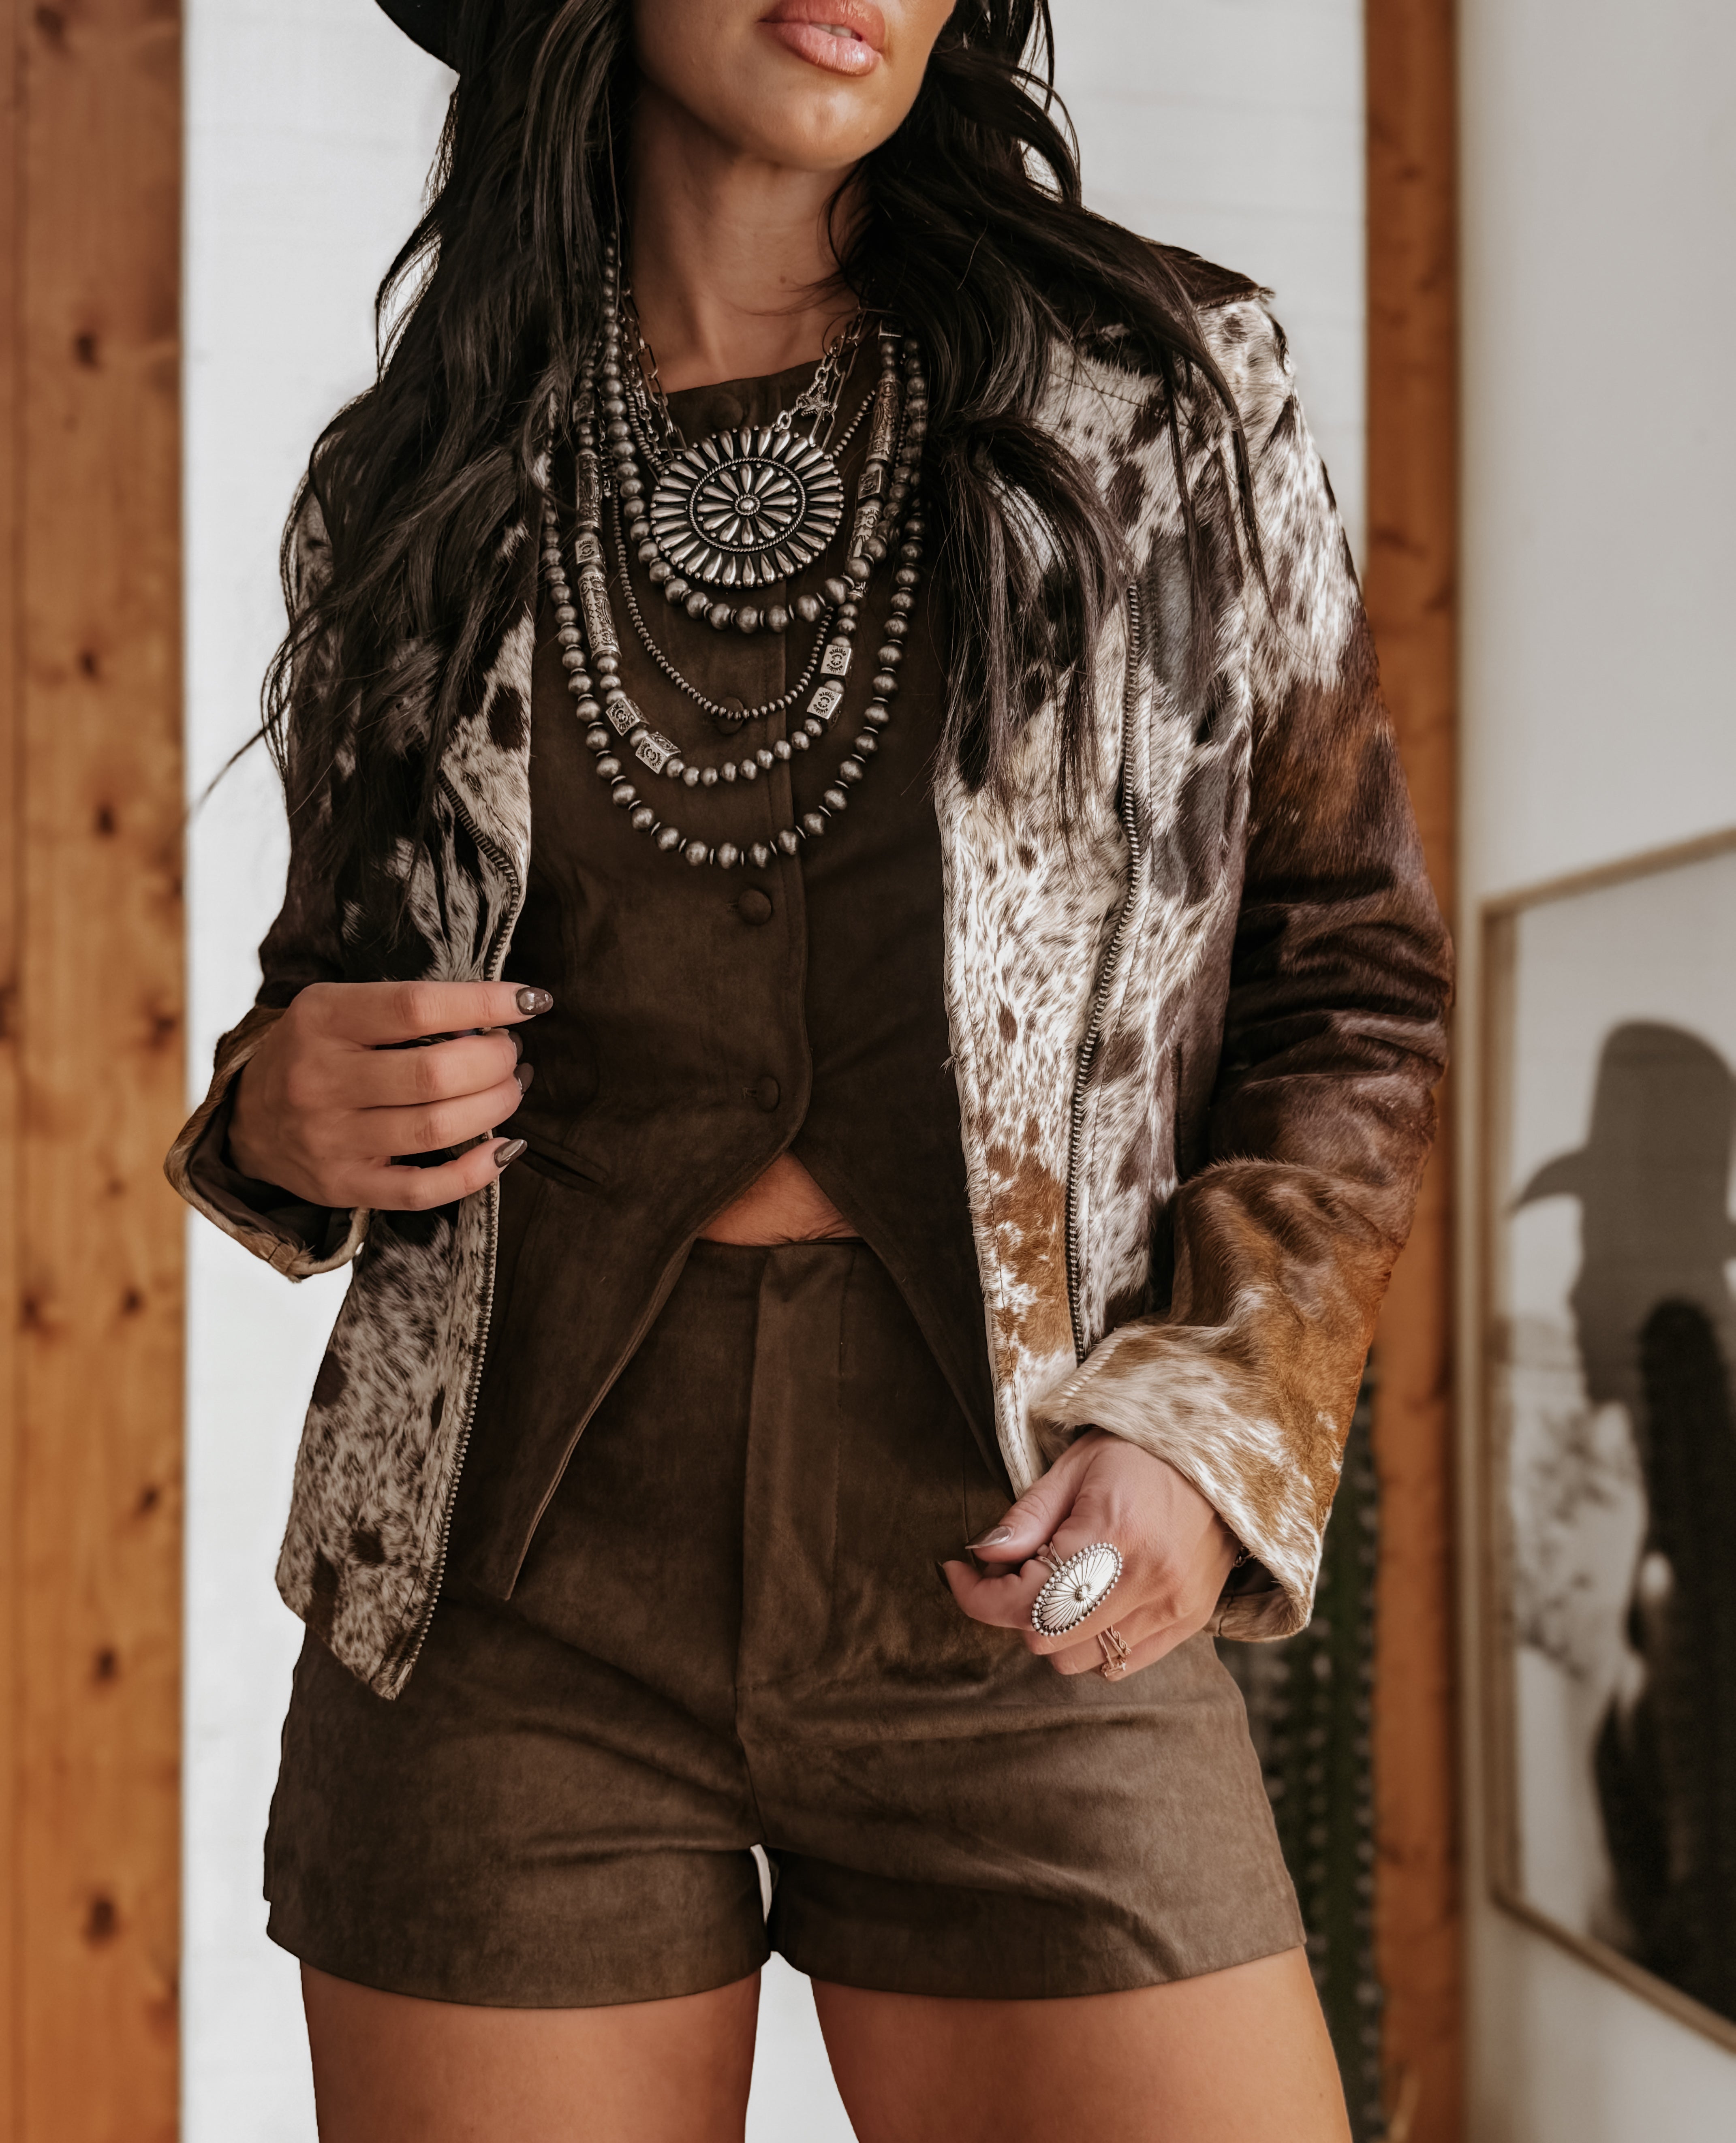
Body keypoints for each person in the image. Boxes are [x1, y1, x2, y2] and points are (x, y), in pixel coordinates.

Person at [166, 2, 1452, 2137]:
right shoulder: (417, 485)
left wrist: (1207, 1426)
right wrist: (275, 1112)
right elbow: (337, 1002)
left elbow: (1351, 978)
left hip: (1026, 1550)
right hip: (508, 1595)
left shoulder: (1167, 401)